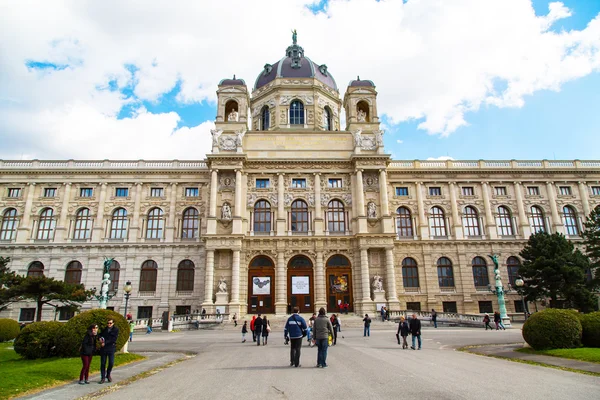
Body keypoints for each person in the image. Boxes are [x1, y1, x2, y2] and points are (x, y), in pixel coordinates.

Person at [99, 319, 119, 383]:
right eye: (108, 323)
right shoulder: (104, 329)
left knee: (111, 362)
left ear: (113, 323)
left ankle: (108, 374)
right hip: (104, 349)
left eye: (110, 323)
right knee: (103, 363)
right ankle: (103, 377)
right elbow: (100, 335)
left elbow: (113, 339)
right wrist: (100, 339)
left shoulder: (115, 330)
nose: (109, 324)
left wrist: (105, 342)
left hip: (111, 348)